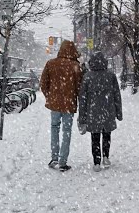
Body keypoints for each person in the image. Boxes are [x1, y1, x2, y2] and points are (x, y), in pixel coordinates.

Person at [40, 40, 83, 172]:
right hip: (68, 104)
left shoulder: (51, 64)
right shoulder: (75, 66)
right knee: (66, 131)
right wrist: (74, 96)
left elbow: (43, 83)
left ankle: (54, 158)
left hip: (54, 104)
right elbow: (79, 87)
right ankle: (63, 161)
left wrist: (50, 96)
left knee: (54, 128)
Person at [77, 51, 123, 172]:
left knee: (95, 137)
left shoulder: (87, 76)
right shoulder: (111, 75)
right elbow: (117, 95)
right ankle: (106, 157)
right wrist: (119, 113)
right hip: (108, 110)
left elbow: (83, 98)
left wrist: (82, 116)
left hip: (93, 112)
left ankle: (96, 162)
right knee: (107, 134)